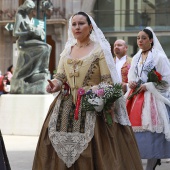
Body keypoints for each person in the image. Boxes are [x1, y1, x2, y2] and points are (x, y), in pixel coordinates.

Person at [32, 11, 143, 170]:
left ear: (90, 27)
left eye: (81, 24)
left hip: (93, 106)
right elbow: (61, 76)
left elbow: (107, 81)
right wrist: (55, 84)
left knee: (96, 148)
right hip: (65, 106)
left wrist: (96, 92)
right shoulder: (67, 51)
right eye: (74, 24)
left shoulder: (99, 50)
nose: (77, 27)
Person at [125, 27, 170, 170]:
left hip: (153, 99)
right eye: (138, 38)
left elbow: (167, 80)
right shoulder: (137, 57)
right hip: (137, 98)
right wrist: (131, 82)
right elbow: (132, 76)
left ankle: (150, 166)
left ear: (151, 40)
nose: (140, 40)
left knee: (153, 136)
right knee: (137, 135)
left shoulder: (159, 57)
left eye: (143, 38)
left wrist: (149, 85)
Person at [10, 0, 52, 94]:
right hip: (23, 42)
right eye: (30, 9)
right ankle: (33, 72)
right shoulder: (19, 16)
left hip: (29, 41)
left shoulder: (29, 18)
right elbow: (15, 33)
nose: (31, 11)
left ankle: (41, 70)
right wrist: (28, 32)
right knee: (43, 48)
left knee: (48, 47)